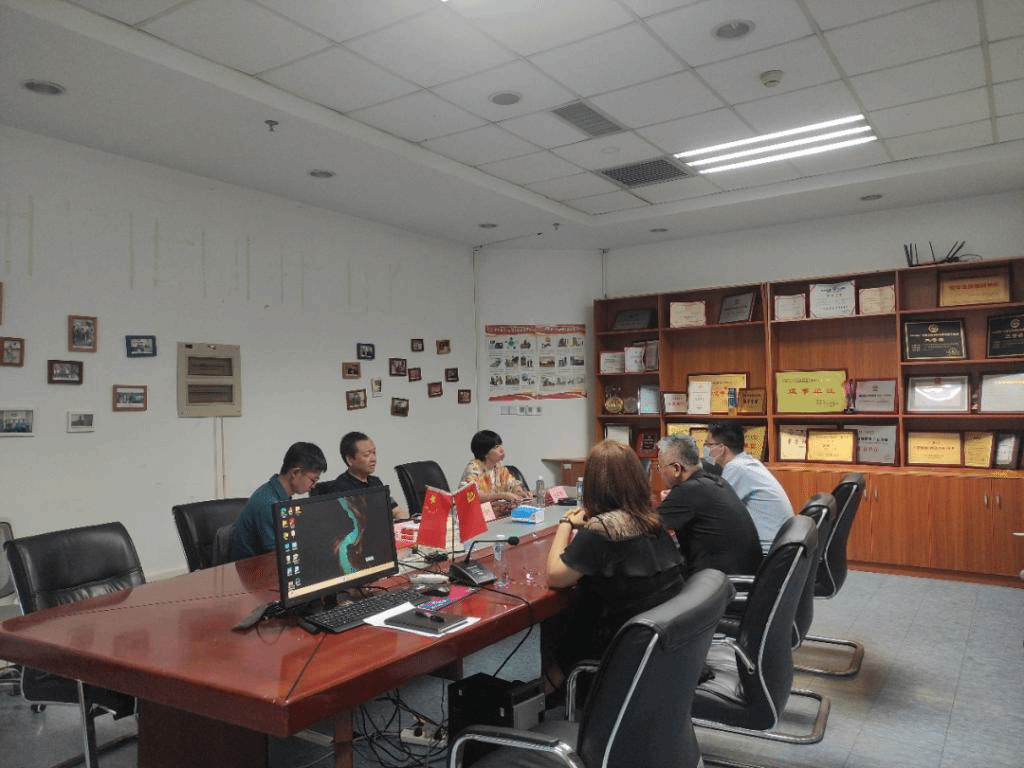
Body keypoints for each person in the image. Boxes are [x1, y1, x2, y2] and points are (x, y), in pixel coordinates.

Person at [542, 439, 685, 700]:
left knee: (570, 619)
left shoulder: (603, 527)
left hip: (617, 647)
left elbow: (555, 576)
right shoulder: (652, 520)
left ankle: (549, 690)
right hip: (656, 644)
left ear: (593, 484)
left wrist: (566, 523)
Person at [656, 434, 763, 577]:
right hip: (745, 577)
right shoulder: (716, 482)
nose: (659, 472)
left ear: (676, 469)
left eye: (659, 467)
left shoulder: (686, 492)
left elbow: (646, 527)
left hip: (723, 583)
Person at [230, 442, 327, 560]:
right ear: (295, 473)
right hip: (252, 567)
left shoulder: (277, 494)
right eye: (313, 480)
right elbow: (277, 557)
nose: (314, 486)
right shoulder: (269, 504)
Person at [707, 421, 794, 552]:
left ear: (721, 448)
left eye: (709, 445)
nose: (707, 450)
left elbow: (715, 510)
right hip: (779, 542)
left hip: (768, 548)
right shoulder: (748, 462)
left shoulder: (736, 468)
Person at [322, 431, 407, 520]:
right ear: (350, 460)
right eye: (367, 455)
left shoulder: (376, 481)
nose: (373, 459)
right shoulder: (341, 489)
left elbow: (396, 510)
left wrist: (404, 519)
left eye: (374, 453)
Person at [460, 430, 531, 513]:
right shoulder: (473, 468)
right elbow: (473, 495)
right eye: (496, 447)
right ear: (485, 452)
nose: (502, 450)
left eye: (501, 445)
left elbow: (511, 483)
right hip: (473, 514)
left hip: (493, 513)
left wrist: (519, 492)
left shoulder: (498, 466)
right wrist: (502, 495)